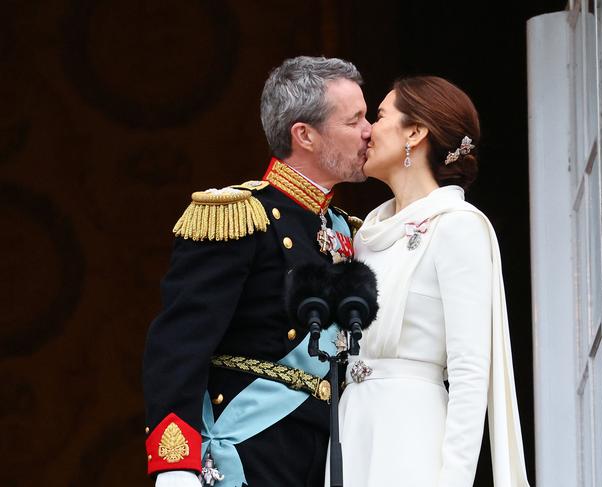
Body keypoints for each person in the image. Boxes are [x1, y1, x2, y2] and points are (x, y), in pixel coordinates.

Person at [142, 56, 371, 487]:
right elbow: (178, 343)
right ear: (304, 134)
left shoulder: (347, 229)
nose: (368, 131)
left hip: (324, 459)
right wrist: (175, 464)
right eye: (354, 119)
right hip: (248, 453)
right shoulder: (238, 215)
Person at [329, 76, 530, 487]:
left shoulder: (457, 228)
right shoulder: (366, 235)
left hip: (412, 434)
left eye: (379, 116)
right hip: (353, 428)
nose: (367, 129)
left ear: (415, 132)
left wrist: (454, 480)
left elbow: (470, 371)